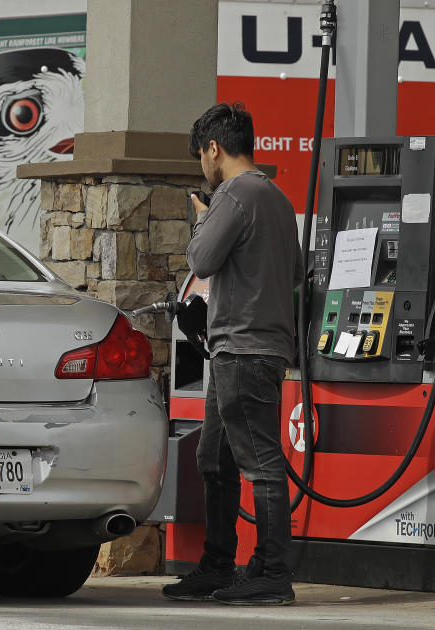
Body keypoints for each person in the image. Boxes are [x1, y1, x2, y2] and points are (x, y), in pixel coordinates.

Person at [162, 102, 304, 606]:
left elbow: (201, 260)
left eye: (201, 155)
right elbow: (293, 275)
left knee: (260, 463)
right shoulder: (279, 200)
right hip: (251, 348)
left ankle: (270, 571)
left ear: (214, 149)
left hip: (243, 349)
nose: (202, 166)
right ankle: (218, 563)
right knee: (214, 457)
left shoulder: (233, 195)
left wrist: (202, 219)